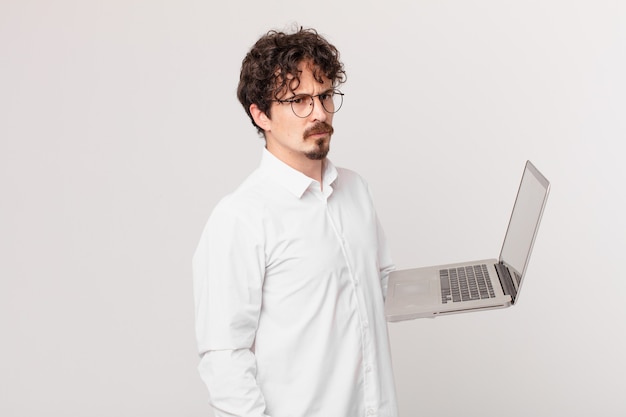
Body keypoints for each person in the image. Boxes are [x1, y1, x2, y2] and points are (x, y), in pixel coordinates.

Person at [192, 27, 399, 417]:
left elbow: (379, 286)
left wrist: (451, 290)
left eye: (324, 96)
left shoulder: (356, 190)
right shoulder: (241, 218)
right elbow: (224, 359)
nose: (319, 113)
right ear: (260, 114)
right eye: (299, 100)